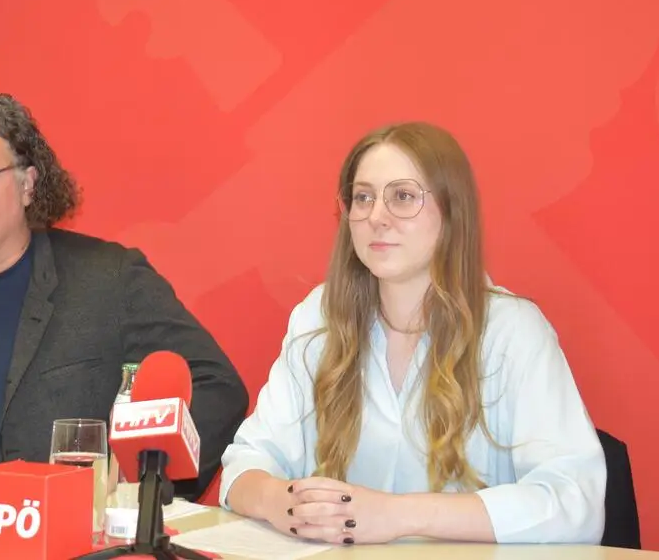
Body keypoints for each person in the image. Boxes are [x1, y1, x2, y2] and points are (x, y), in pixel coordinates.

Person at [0, 87, 248, 500]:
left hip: (66, 528)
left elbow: (216, 388)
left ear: (27, 185)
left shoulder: (110, 280)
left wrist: (141, 481)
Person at [219, 121, 606, 545]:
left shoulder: (512, 331)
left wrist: (398, 515)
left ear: (452, 211)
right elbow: (246, 463)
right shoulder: (318, 317)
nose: (376, 217)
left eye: (402, 197)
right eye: (363, 198)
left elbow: (574, 502)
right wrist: (282, 502)